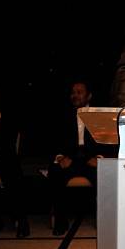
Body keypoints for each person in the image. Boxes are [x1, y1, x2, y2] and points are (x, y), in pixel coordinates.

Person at [48, 80, 105, 235]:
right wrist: (60, 157)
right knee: (55, 172)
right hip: (70, 159)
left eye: (79, 92)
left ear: (89, 96)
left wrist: (99, 157)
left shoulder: (98, 115)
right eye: (73, 92)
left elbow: (107, 140)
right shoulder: (62, 115)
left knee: (106, 175)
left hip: (90, 159)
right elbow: (54, 140)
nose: (75, 95)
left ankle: (106, 221)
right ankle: (60, 220)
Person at [0, 85, 29, 237]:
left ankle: (22, 221)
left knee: (13, 175)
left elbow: (8, 141)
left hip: (4, 158)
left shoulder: (9, 117)